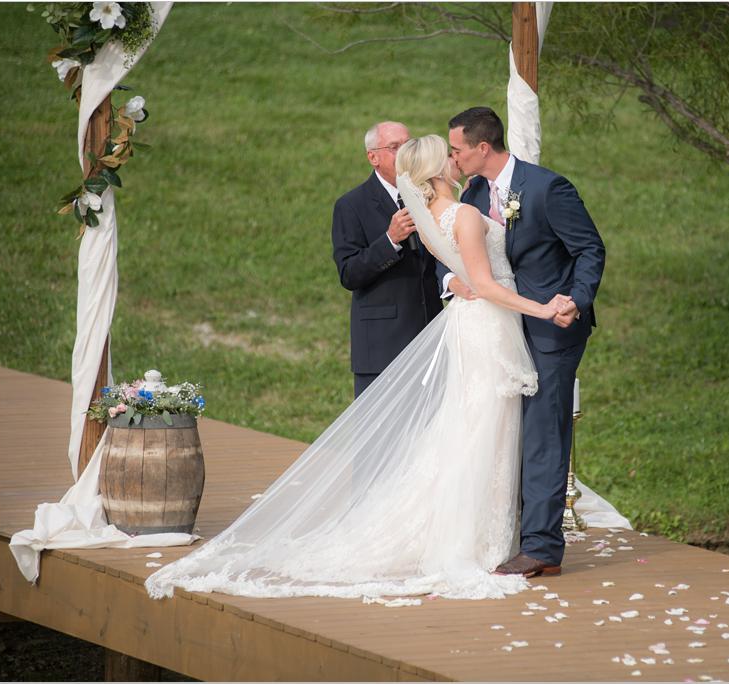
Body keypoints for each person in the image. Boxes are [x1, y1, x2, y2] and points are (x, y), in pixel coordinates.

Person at [145, 135, 585, 602]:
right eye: (450, 155)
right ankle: (476, 541)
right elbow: (485, 284)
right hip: (488, 326)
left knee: (469, 429)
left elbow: (457, 271)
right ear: (439, 168)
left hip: (470, 326)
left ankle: (476, 534)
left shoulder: (431, 217)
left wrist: (456, 279)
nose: (457, 161)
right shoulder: (467, 214)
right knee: (482, 432)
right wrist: (543, 308)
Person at [444, 107, 605, 579]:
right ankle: (511, 531)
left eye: (457, 149)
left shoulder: (547, 188)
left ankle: (541, 548)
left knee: (543, 435)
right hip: (500, 330)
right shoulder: (473, 191)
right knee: (503, 430)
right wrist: (453, 280)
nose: (453, 158)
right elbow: (456, 250)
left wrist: (577, 298)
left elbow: (589, 248)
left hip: (551, 328)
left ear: (482, 148)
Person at [331, 121, 444, 398]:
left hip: (431, 337)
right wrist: (390, 240)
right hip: (382, 345)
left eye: (409, 145)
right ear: (373, 157)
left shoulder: (431, 196)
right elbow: (349, 273)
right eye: (395, 147)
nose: (406, 153)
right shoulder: (351, 205)